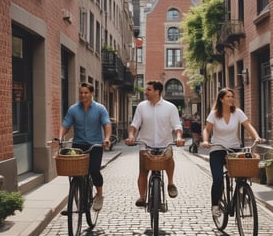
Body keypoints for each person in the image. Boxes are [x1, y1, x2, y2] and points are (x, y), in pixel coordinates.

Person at [201, 88, 261, 218]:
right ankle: (215, 205)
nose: (231, 98)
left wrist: (256, 137)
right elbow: (206, 130)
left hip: (234, 149)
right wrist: (205, 141)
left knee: (242, 175)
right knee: (218, 179)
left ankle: (239, 197)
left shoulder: (238, 113)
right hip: (217, 149)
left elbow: (248, 126)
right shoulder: (214, 114)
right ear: (221, 99)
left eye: (232, 96)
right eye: (228, 96)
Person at [125, 80, 185, 207]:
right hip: (145, 144)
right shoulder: (141, 106)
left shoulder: (170, 107)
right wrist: (131, 136)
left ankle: (170, 183)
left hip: (165, 144)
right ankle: (142, 197)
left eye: (148, 90)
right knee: (143, 171)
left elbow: (177, 126)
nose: (145, 92)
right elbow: (134, 125)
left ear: (157, 91)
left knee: (169, 158)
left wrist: (179, 137)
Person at [59, 82, 112, 211]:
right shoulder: (73, 109)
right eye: (81, 93)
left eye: (86, 93)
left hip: (95, 146)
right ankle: (74, 199)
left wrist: (106, 138)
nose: (83, 95)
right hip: (78, 145)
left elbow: (107, 124)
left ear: (91, 93)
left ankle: (99, 195)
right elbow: (65, 124)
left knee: (94, 170)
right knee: (75, 172)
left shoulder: (100, 109)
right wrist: (60, 137)